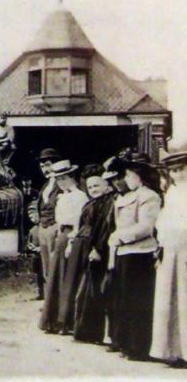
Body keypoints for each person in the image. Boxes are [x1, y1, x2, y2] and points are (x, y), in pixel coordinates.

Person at [108, 158, 161, 360]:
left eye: (131, 175)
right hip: (124, 253)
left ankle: (138, 346)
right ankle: (125, 343)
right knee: (124, 299)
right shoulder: (126, 197)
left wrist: (121, 237)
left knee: (138, 300)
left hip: (140, 253)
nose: (127, 179)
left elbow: (146, 227)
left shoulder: (149, 197)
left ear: (140, 177)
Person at [60, 164, 114, 337]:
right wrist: (71, 243)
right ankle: (73, 324)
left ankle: (91, 331)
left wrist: (97, 248)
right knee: (76, 285)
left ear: (106, 186)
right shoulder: (90, 203)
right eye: (90, 187)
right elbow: (80, 225)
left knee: (92, 287)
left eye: (97, 185)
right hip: (80, 244)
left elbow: (105, 228)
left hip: (94, 245)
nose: (93, 190)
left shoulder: (107, 203)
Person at [39, 159, 88, 334]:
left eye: (62, 179)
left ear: (70, 178)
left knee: (68, 278)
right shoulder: (63, 196)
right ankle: (53, 320)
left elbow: (78, 222)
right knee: (56, 276)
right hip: (61, 236)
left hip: (71, 237)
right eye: (58, 179)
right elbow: (60, 220)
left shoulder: (80, 197)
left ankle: (66, 321)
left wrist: (71, 242)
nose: (59, 183)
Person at [150, 151, 187, 366]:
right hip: (170, 248)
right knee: (169, 297)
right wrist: (161, 243)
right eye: (174, 171)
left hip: (185, 248)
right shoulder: (172, 192)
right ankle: (172, 349)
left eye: (181, 169)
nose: (178, 174)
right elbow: (163, 221)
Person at [36, 148, 62, 284]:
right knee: (46, 265)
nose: (45, 169)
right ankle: (49, 301)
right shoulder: (46, 186)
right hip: (44, 228)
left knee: (55, 264)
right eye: (42, 166)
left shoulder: (61, 184)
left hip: (54, 227)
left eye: (47, 165)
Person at [26, 200, 45, 300]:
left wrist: (40, 248)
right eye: (30, 216)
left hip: (44, 255)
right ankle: (41, 292)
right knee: (38, 275)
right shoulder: (32, 230)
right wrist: (30, 247)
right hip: (36, 257)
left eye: (33, 214)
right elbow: (29, 243)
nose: (32, 218)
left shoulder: (45, 228)